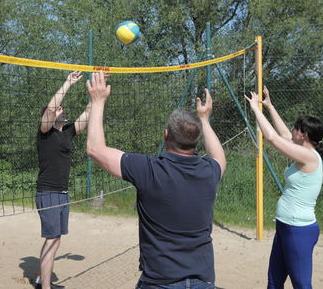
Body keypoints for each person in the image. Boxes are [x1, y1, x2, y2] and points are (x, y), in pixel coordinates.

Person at [85, 71, 226, 289]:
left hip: (160, 281)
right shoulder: (209, 171)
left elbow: (95, 149)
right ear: (196, 141)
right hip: (203, 280)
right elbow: (219, 157)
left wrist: (98, 101)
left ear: (166, 135)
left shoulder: (149, 170)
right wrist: (205, 120)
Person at [246, 86, 323, 289]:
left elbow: (273, 138)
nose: (291, 130)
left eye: (295, 128)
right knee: (274, 282)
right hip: (285, 226)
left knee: (301, 284)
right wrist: (269, 106)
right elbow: (283, 133)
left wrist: (256, 110)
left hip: (298, 229)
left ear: (304, 135)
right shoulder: (303, 148)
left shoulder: (309, 157)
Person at [34, 70, 92, 289]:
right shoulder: (45, 132)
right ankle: (45, 286)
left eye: (62, 108)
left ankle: (41, 278)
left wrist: (96, 94)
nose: (60, 109)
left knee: (55, 239)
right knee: (52, 239)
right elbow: (50, 109)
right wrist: (68, 83)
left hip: (62, 192)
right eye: (57, 108)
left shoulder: (66, 132)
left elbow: (86, 116)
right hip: (47, 192)